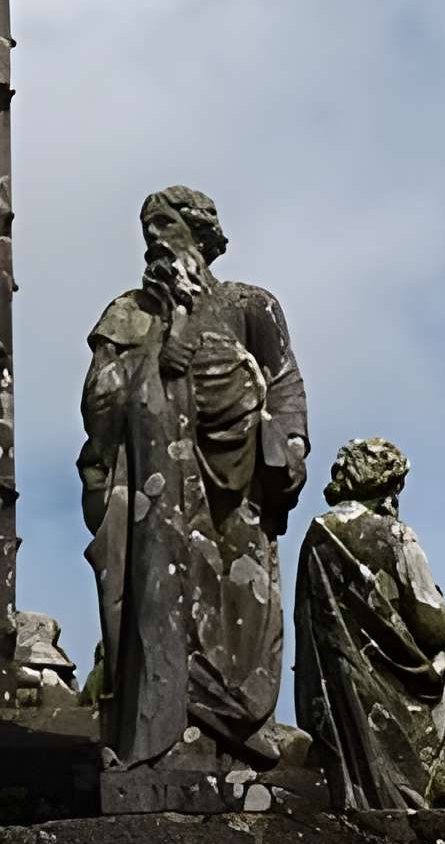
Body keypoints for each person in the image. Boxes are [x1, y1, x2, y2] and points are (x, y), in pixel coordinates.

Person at [79, 186, 310, 773]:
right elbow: (99, 402)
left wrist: (292, 446)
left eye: (166, 225)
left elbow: (286, 383)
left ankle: (239, 726)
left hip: (244, 476)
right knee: (161, 592)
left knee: (244, 606)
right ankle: (167, 733)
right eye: (147, 229)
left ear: (202, 232)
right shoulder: (128, 314)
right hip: (159, 477)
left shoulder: (249, 305)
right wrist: (161, 348)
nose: (155, 239)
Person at [293, 438, 445, 811]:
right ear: (388, 485)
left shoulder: (318, 535)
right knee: (443, 674)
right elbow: (431, 622)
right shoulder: (395, 534)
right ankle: (438, 790)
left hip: (336, 673)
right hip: (394, 676)